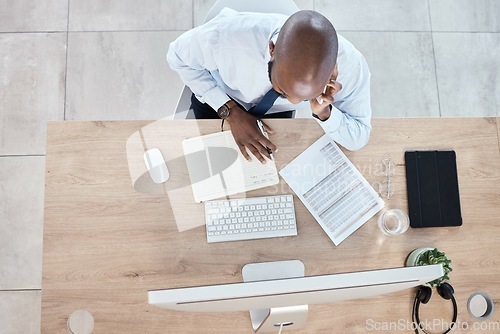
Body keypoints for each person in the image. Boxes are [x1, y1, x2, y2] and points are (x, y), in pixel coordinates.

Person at [167, 9, 371, 163]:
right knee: (194, 167)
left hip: (273, 115)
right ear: (272, 50)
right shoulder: (228, 36)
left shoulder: (351, 67)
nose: (294, 102)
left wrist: (325, 113)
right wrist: (231, 112)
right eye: (283, 91)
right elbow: (176, 56)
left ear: (333, 70)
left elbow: (359, 137)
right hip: (220, 98)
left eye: (306, 97)